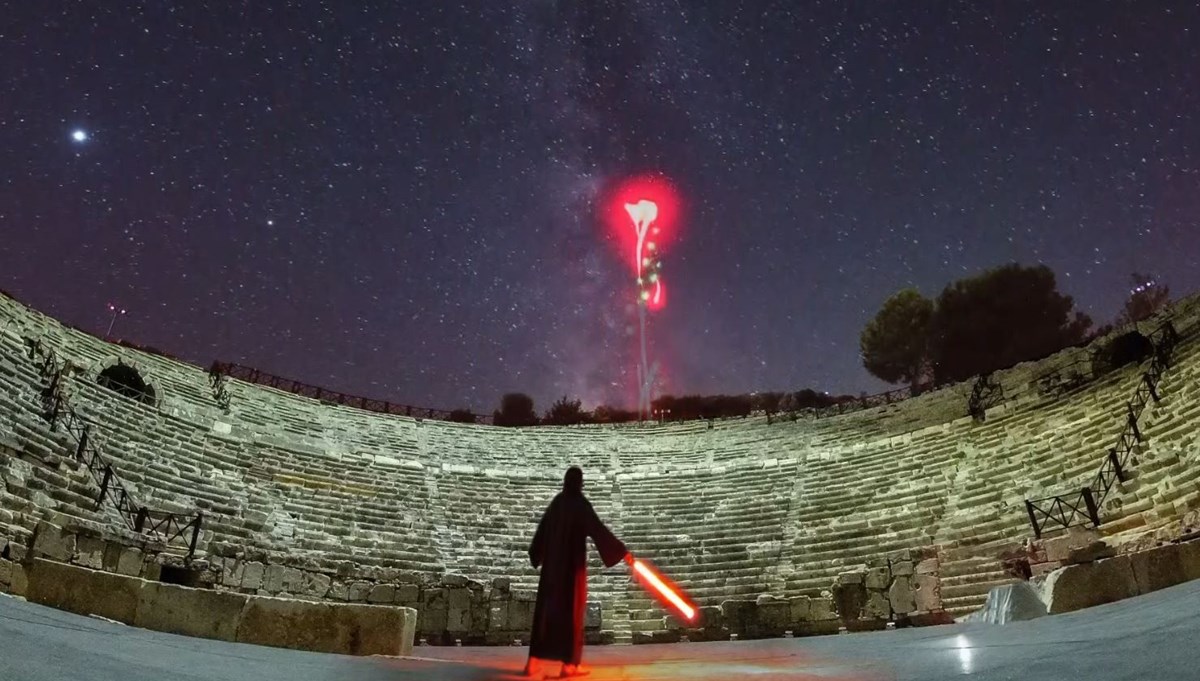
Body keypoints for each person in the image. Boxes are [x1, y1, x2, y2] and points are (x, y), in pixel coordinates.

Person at [524, 466, 629, 679]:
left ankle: (532, 663)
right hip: (571, 573)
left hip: (552, 572)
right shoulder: (580, 505)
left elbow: (542, 530)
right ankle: (569, 666)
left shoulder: (557, 503)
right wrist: (622, 552)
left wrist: (536, 554)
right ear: (580, 483)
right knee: (571, 617)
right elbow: (599, 530)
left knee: (545, 616)